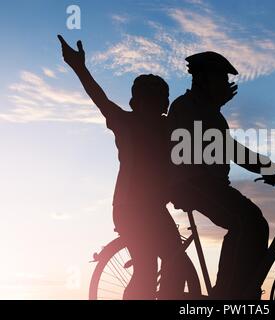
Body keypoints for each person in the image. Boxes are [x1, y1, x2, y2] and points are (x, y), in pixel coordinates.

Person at [57, 35, 186, 299]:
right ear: (141, 103)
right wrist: (79, 68)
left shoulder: (161, 128)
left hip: (149, 208)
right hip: (131, 209)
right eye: (158, 99)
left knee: (172, 266)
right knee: (149, 271)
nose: (160, 106)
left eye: (162, 100)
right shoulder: (128, 123)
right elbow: (99, 97)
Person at [167, 51, 275, 299]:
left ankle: (240, 290)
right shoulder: (186, 106)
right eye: (219, 79)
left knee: (254, 224)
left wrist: (267, 167)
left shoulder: (211, 112)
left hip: (208, 183)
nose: (224, 84)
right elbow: (218, 147)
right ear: (201, 80)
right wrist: (267, 166)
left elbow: (228, 148)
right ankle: (227, 295)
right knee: (246, 221)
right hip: (191, 182)